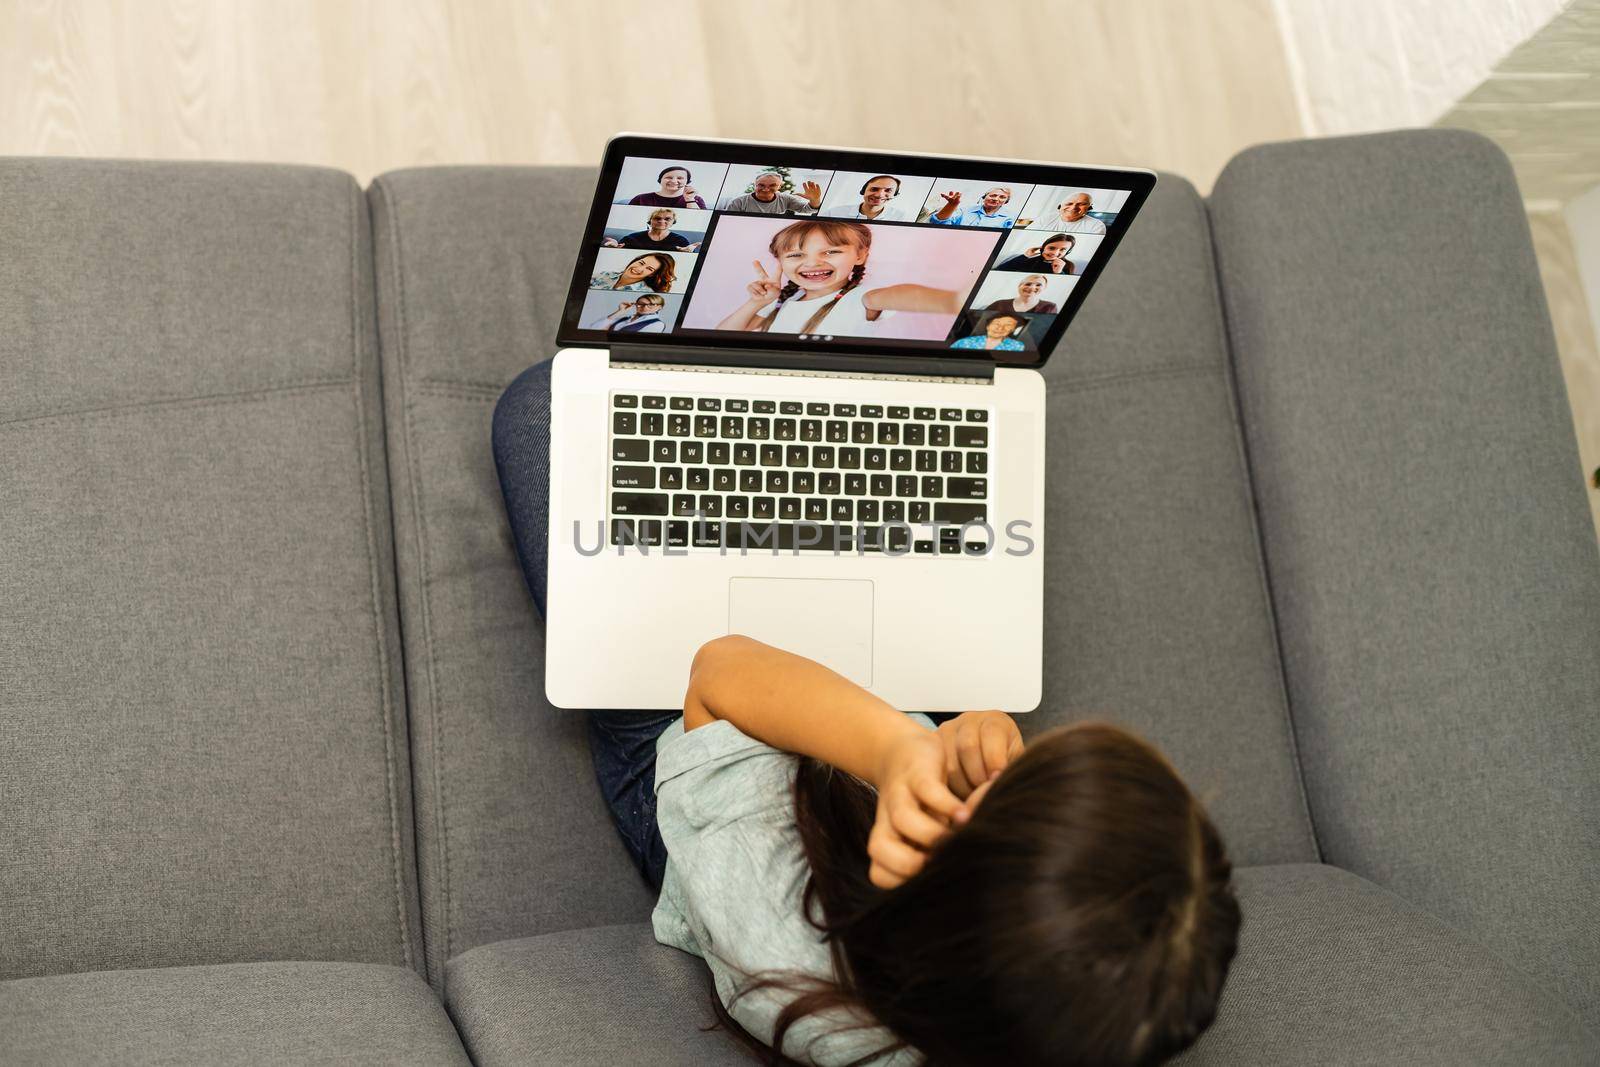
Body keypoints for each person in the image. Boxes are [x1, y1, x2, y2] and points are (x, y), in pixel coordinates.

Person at [492, 362, 1241, 1067]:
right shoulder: (1045, 986)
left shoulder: (785, 944)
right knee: (919, 404)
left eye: (1013, 789)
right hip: (876, 737)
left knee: (541, 409)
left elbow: (719, 671)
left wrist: (892, 750)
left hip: (706, 746)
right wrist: (970, 729)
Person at [717, 220, 964, 338]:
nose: (813, 263)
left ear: (860, 255)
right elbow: (723, 339)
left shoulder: (863, 298)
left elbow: (901, 294)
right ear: (780, 262)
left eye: (831, 252)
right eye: (795, 255)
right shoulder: (782, 300)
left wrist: (953, 301)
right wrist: (756, 303)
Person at [819, 175, 915, 222]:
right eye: (874, 189)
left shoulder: (902, 217)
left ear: (894, 195)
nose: (879, 195)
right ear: (863, 191)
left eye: (888, 191)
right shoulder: (834, 213)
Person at [721, 171, 824, 215]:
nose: (766, 189)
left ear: (779, 187)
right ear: (755, 185)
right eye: (761, 185)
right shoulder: (738, 202)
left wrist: (815, 200)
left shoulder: (786, 199)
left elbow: (807, 210)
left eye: (772, 186)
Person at [604, 209, 701, 252]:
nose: (661, 221)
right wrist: (613, 249)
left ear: (673, 222)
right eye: (657, 218)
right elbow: (619, 253)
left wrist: (687, 253)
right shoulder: (631, 238)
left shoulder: (681, 241)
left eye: (667, 219)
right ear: (650, 221)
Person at [928, 185, 1015, 229]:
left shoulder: (1009, 218)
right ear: (984, 197)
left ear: (1006, 202)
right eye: (993, 195)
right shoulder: (965, 210)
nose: (996, 199)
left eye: (1002, 197)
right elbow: (936, 222)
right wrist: (951, 205)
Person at [1023, 191, 1108, 234]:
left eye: (1081, 204)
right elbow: (1026, 235)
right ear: (1060, 206)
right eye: (1069, 203)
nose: (1073, 207)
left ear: (1089, 208)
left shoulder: (1096, 225)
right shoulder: (1046, 217)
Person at [628, 165, 707, 209]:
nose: (673, 181)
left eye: (680, 178)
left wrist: (689, 199)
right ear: (660, 180)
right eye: (669, 177)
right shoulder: (640, 198)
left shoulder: (697, 199)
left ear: (687, 182)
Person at [590, 252, 676, 293]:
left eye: (649, 269)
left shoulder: (645, 293)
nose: (639, 268)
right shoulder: (605, 274)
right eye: (641, 263)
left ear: (652, 274)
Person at [996, 233, 1077, 275]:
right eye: (1051, 248)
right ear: (1043, 247)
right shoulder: (1028, 260)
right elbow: (998, 270)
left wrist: (1059, 273)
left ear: (1068, 252)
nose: (1055, 253)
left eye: (1062, 250)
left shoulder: (1068, 266)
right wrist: (1025, 256)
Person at [584, 294, 668, 333]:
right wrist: (619, 312)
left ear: (660, 307)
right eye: (641, 304)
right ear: (635, 304)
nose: (645, 307)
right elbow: (593, 329)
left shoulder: (657, 324)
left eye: (651, 304)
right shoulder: (624, 319)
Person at [950, 311, 1027, 351]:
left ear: (1012, 330)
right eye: (997, 323)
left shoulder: (1017, 346)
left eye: (1008, 325)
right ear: (988, 326)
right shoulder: (964, 342)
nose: (1000, 328)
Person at [983, 273, 1058, 315]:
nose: (1032, 287)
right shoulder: (999, 304)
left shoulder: (1050, 307)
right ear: (1019, 286)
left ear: (1044, 288)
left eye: (1038, 285)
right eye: (1028, 284)